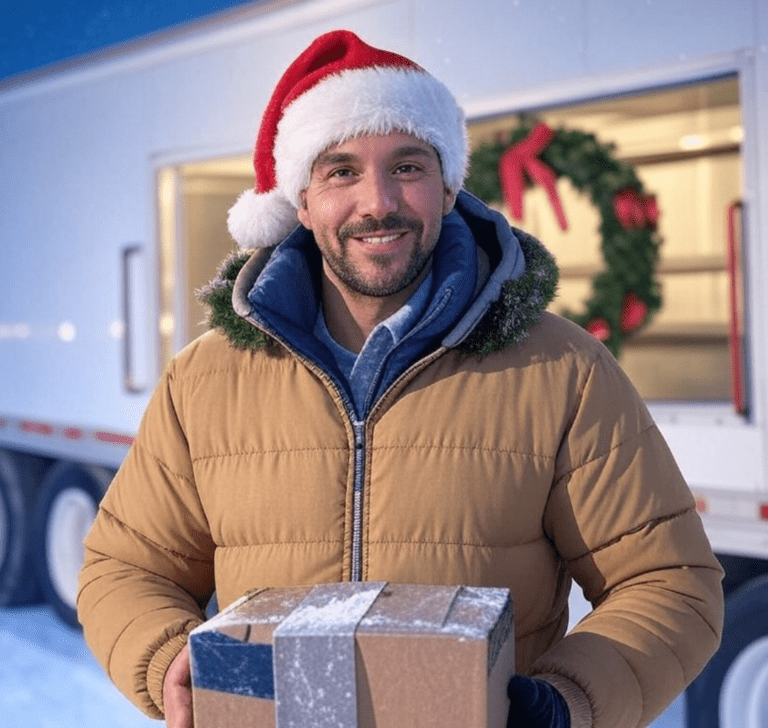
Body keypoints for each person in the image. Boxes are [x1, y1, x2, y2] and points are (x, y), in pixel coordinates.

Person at [77, 30, 724, 728]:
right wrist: (165, 657)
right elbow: (123, 570)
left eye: (408, 166)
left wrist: (567, 701)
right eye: (341, 170)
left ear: (448, 188)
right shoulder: (205, 383)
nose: (377, 201)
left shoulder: (562, 371)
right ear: (301, 200)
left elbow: (669, 582)